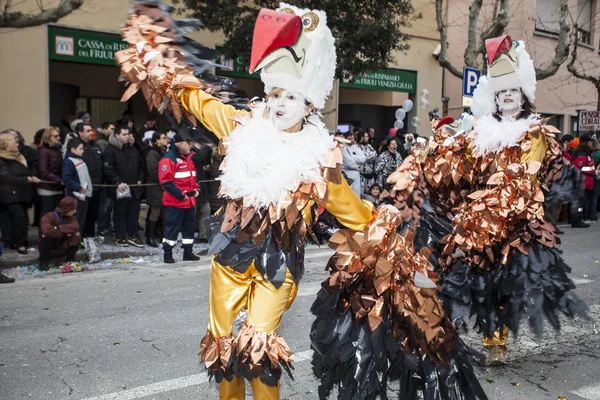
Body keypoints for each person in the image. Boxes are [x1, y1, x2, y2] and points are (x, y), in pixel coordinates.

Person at [117, 3, 488, 399]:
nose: (279, 104)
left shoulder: (318, 161)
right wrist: (156, 58)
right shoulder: (241, 125)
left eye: (290, 97)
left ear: (309, 104)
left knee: (258, 346)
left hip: (277, 265)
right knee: (223, 345)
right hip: (228, 260)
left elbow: (352, 210)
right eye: (275, 93)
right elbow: (193, 99)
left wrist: (386, 230)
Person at [158, 134, 200, 263]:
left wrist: (196, 189)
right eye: (188, 143)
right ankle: (168, 254)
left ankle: (188, 251)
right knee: (172, 228)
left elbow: (192, 177)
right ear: (180, 144)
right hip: (175, 201)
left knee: (189, 227)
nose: (190, 145)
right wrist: (181, 195)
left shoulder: (189, 158)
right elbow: (165, 182)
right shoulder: (168, 159)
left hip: (189, 201)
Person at [102, 126, 145, 247]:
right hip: (119, 188)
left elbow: (141, 166)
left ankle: (133, 235)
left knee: (134, 212)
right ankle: (120, 236)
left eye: (128, 134)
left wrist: (140, 180)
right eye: (124, 134)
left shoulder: (132, 149)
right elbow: (108, 169)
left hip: (134, 187)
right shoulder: (110, 151)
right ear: (117, 135)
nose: (127, 136)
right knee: (120, 212)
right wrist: (117, 182)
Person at [0, 132, 40, 254]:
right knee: (18, 217)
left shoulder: (19, 156)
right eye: (14, 143)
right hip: (9, 194)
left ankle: (20, 241)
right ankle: (19, 243)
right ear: (6, 146)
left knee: (23, 219)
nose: (17, 144)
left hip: (22, 193)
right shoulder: (2, 159)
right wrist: (26, 179)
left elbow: (26, 171)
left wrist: (32, 177)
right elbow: (5, 177)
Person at [38, 196, 80, 271]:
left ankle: (70, 259)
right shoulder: (48, 216)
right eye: (73, 209)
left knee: (76, 235)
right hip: (51, 247)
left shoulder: (71, 218)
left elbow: (75, 226)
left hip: (63, 246)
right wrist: (65, 233)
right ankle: (43, 263)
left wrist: (58, 228)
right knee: (46, 238)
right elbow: (47, 231)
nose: (75, 211)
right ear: (67, 208)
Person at [78, 121, 104, 238]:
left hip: (96, 186)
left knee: (93, 214)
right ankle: (79, 238)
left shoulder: (95, 146)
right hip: (82, 188)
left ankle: (90, 237)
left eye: (91, 130)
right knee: (81, 215)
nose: (91, 133)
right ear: (80, 133)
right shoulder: (77, 147)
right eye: (88, 131)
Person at [62, 139, 93, 235]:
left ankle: (78, 238)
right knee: (75, 218)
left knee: (81, 219)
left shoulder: (80, 160)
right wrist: (79, 187)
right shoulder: (69, 162)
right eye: (80, 149)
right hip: (75, 195)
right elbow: (66, 179)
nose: (83, 150)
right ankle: (72, 238)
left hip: (83, 195)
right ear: (73, 150)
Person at [144, 131, 168, 247]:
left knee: (164, 213)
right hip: (155, 187)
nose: (166, 140)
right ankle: (150, 237)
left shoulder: (164, 152)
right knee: (155, 212)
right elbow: (153, 171)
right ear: (157, 140)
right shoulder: (153, 153)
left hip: (164, 187)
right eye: (163, 137)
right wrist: (166, 176)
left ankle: (163, 236)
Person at [37, 127, 64, 217]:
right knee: (47, 215)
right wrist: (59, 180)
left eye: (59, 135)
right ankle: (44, 231)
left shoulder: (57, 150)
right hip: (47, 188)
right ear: (48, 137)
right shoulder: (44, 151)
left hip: (58, 187)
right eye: (56, 136)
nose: (59, 138)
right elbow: (43, 171)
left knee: (56, 215)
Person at [190, 140, 213, 244]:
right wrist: (207, 148)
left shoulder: (198, 151)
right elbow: (199, 159)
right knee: (192, 213)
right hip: (192, 188)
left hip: (201, 188)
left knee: (206, 210)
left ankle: (202, 235)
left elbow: (204, 160)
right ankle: (189, 235)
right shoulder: (189, 153)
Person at [573, 135, 597, 221]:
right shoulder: (582, 155)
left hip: (587, 180)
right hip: (583, 181)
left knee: (583, 201)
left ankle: (580, 216)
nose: (591, 144)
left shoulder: (586, 154)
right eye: (590, 142)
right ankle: (578, 218)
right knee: (580, 202)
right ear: (586, 143)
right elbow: (577, 169)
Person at [341, 130, 366, 196]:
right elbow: (350, 163)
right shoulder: (342, 147)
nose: (352, 140)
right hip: (347, 172)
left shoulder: (355, 147)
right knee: (348, 194)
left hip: (356, 173)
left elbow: (363, 158)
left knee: (356, 193)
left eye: (353, 138)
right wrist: (358, 164)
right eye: (349, 139)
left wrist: (353, 156)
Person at [357, 129, 377, 195]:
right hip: (360, 175)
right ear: (362, 137)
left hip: (370, 174)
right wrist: (366, 158)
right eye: (366, 136)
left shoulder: (369, 146)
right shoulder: (356, 147)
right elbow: (360, 158)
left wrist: (365, 158)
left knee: (370, 194)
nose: (368, 138)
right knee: (360, 193)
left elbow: (375, 155)